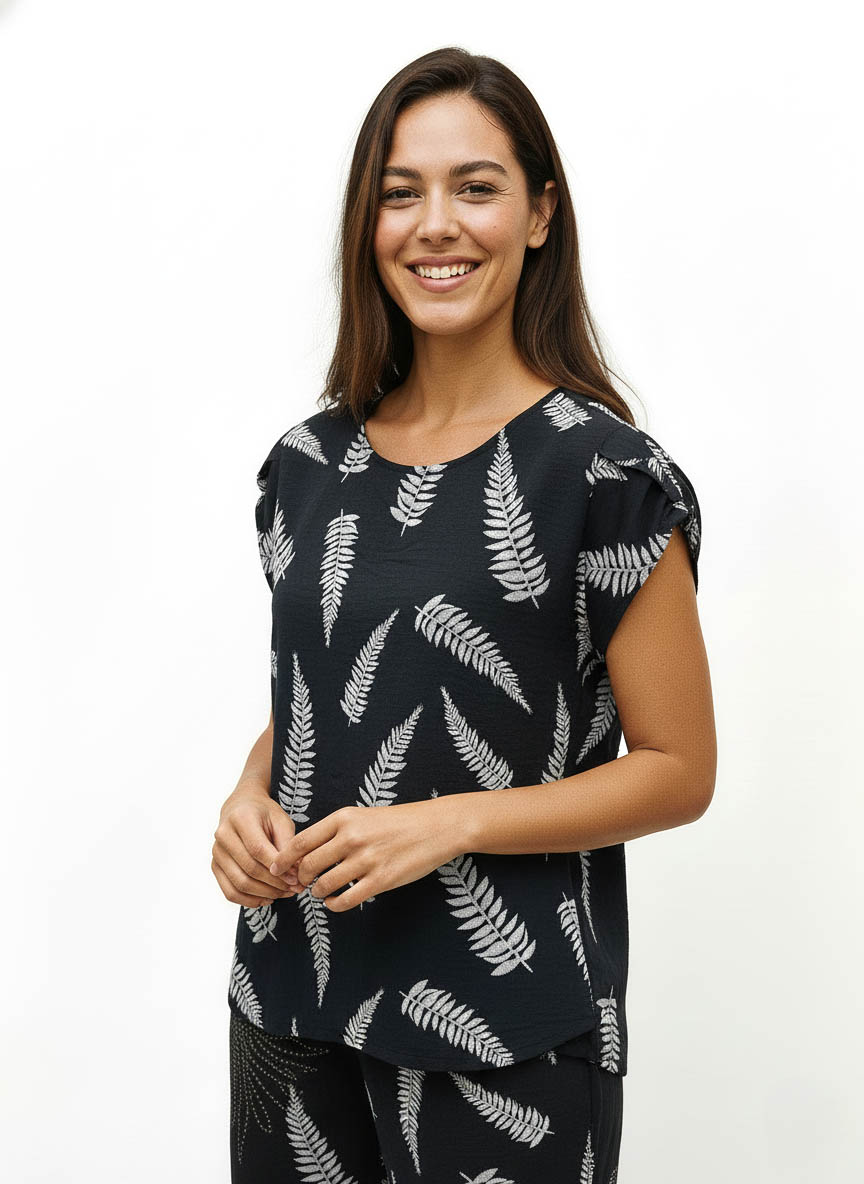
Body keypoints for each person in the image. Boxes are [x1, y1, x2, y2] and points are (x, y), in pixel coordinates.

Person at [212, 45, 716, 1184]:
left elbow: (680, 768)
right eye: (401, 193)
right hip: (290, 995)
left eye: (475, 187)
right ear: (367, 223)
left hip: (510, 1023)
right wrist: (249, 795)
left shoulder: (606, 475)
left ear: (539, 214)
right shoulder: (305, 465)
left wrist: (452, 823)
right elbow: (322, 695)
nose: (435, 224)